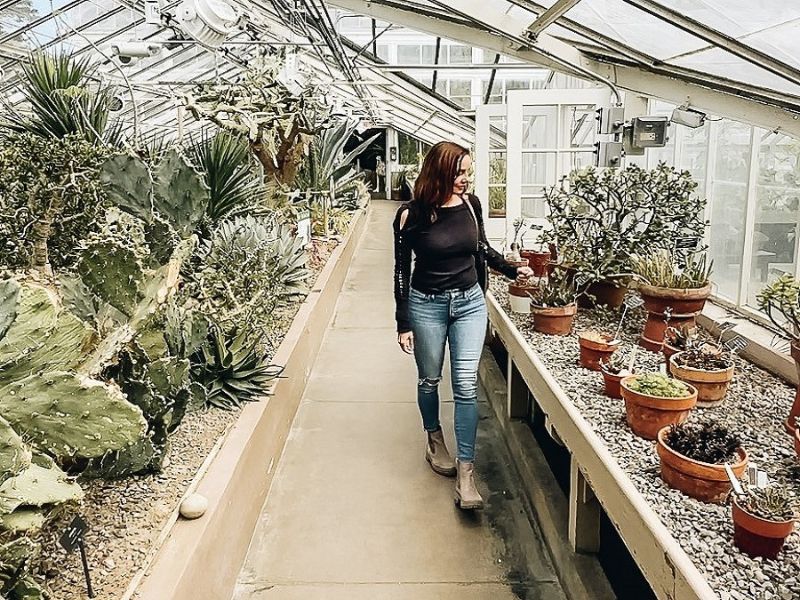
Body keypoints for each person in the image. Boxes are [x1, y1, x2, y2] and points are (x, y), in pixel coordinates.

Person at [392, 141, 534, 509]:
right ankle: (434, 439)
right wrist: (403, 320)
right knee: (429, 379)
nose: (465, 179)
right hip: (427, 306)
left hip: (470, 303)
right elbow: (401, 272)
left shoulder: (471, 205)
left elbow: (481, 248)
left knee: (466, 385)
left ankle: (467, 472)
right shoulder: (411, 215)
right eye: (459, 172)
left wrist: (511, 268)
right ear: (438, 172)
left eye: (468, 171)